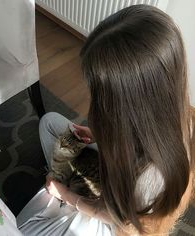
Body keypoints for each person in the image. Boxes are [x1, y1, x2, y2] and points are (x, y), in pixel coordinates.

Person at [17, 4, 195, 235]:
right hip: (117, 174)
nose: (94, 100)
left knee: (22, 228)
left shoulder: (151, 179)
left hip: (115, 219)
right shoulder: (176, 114)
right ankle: (68, 190)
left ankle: (68, 197)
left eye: (101, 94)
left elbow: (121, 221)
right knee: (49, 122)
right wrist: (99, 138)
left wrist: (68, 197)